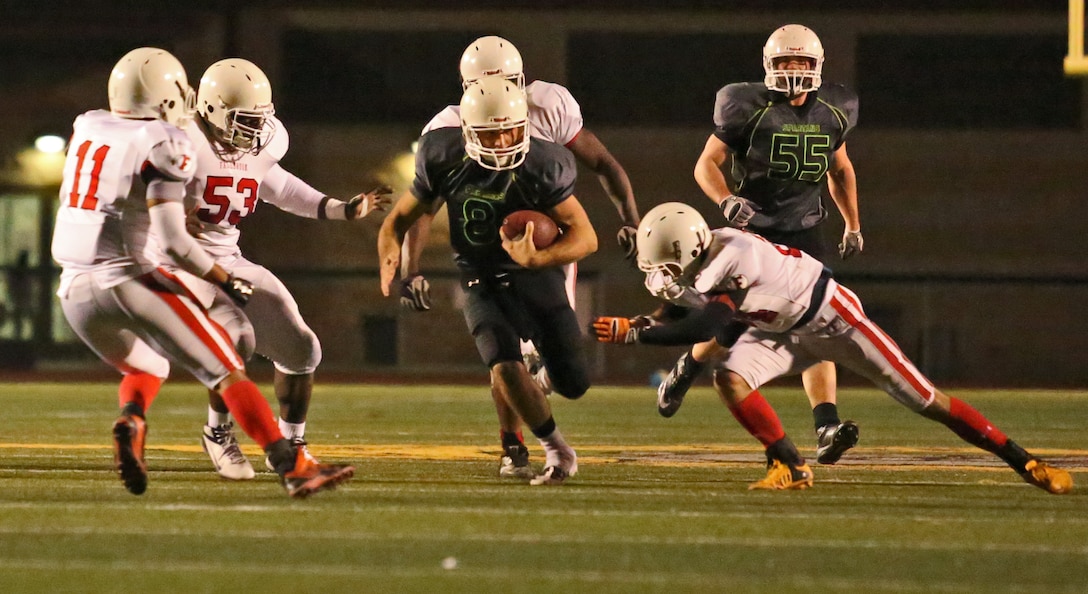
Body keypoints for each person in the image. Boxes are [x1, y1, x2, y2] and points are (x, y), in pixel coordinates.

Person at [593, 202, 1073, 494]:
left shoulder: (733, 255)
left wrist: (637, 333)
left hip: (834, 319)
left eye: (666, 266)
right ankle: (789, 464)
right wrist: (647, 320)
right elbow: (689, 311)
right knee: (730, 377)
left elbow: (712, 320)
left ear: (689, 251)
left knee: (926, 399)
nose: (661, 275)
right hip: (782, 327)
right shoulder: (699, 259)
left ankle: (1025, 460)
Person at [51, 47, 354, 498]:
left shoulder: (88, 125)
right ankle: (290, 464)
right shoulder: (169, 141)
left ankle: (131, 417)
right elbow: (174, 242)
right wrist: (223, 278)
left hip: (72, 288)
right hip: (134, 276)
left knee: (148, 365)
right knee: (227, 368)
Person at [395, 35, 639, 479]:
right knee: (504, 355)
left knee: (568, 380)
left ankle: (540, 382)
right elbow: (422, 209)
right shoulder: (444, 134)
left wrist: (631, 218)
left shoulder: (548, 107)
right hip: (484, 254)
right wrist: (409, 267)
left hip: (546, 247)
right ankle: (515, 443)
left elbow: (603, 162)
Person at [178, 58, 392, 480]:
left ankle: (293, 441)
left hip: (228, 260)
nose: (255, 131)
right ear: (214, 108)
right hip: (178, 263)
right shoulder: (179, 141)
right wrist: (163, 214)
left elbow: (281, 188)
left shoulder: (256, 147)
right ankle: (217, 433)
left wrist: (341, 209)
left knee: (301, 348)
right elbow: (128, 190)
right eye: (244, 120)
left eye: (260, 120)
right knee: (235, 341)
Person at [658, 24, 862, 466]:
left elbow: (840, 169)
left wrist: (852, 224)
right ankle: (688, 366)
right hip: (754, 231)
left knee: (817, 328)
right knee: (731, 326)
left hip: (805, 229)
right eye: (785, 62)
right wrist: (726, 200)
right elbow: (705, 164)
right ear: (769, 65)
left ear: (817, 66)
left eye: (802, 63)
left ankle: (826, 425)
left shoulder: (834, 109)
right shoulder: (746, 106)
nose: (793, 71)